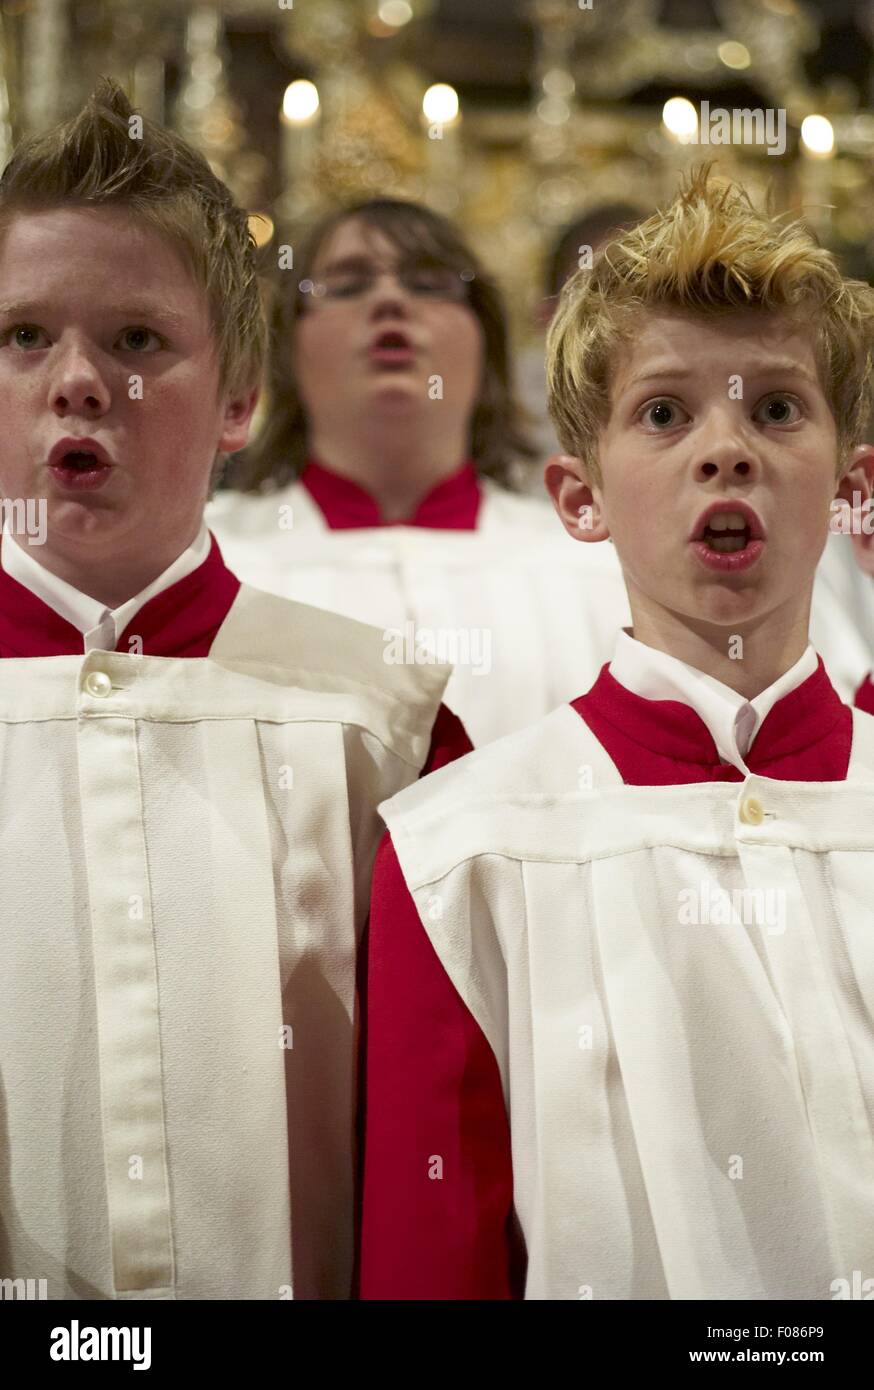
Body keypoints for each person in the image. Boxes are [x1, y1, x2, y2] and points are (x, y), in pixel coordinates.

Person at [359, 166, 874, 1300]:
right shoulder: (463, 852)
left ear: (850, 486)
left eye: (777, 409)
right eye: (663, 413)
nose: (725, 449)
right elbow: (431, 1264)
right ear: (578, 497)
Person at [0, 79, 461, 1302]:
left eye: (139, 340)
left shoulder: (385, 719)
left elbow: (448, 1151)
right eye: (23, 335)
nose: (78, 381)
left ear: (242, 400)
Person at [207, 199, 631, 747]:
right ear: (288, 346)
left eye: (429, 283)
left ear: (486, 339)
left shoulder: (598, 565)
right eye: (348, 284)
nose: (389, 301)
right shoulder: (212, 555)